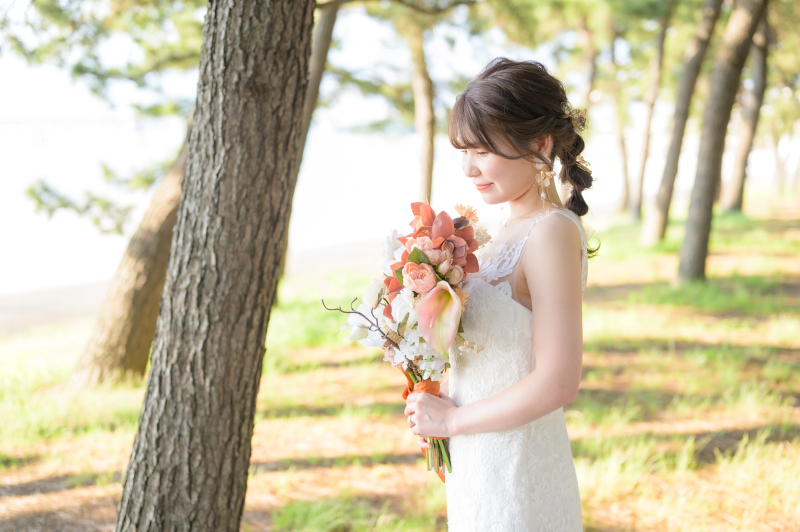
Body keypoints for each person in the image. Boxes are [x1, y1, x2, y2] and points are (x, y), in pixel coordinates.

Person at [402, 57, 596, 531]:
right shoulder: (498, 233)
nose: (469, 168)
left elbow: (558, 381)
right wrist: (438, 391)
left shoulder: (551, 231)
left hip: (519, 471)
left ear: (539, 143)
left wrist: (450, 424)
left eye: (482, 151)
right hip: (479, 464)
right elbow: (498, 358)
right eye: (463, 151)